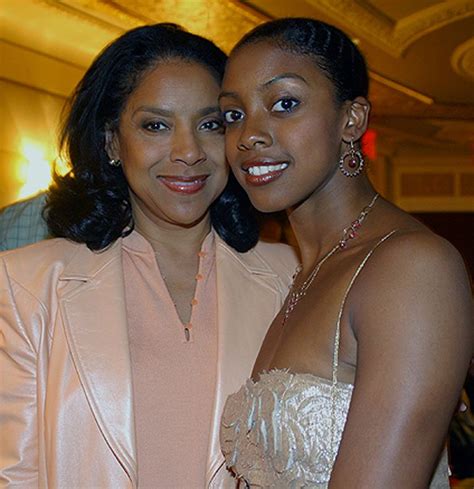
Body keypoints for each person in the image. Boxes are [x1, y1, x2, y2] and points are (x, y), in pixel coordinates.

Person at [0, 24, 298, 488]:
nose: (188, 152)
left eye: (210, 125)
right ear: (112, 142)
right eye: (156, 125)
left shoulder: (290, 277)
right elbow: (12, 474)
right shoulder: (26, 285)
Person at [219, 18, 473, 488]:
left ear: (352, 119)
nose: (248, 135)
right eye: (234, 114)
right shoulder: (304, 274)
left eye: (285, 104)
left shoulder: (413, 268)